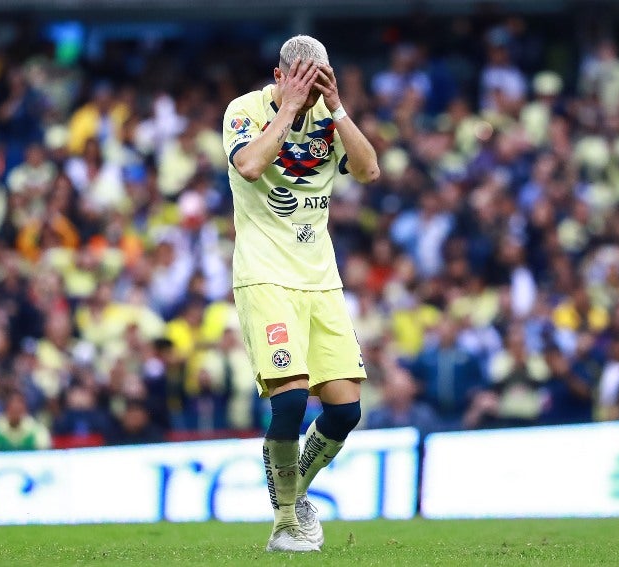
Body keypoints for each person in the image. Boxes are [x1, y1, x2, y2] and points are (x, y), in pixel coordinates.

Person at [223, 35, 379, 552]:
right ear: (280, 75)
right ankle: (286, 522)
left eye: (321, 82)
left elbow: (369, 170)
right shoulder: (244, 111)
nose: (313, 92)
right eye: (305, 82)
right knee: (289, 402)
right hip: (265, 275)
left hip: (320, 278)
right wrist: (288, 108)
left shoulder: (329, 118)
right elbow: (248, 165)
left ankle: (294, 492)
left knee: (345, 410)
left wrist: (336, 108)